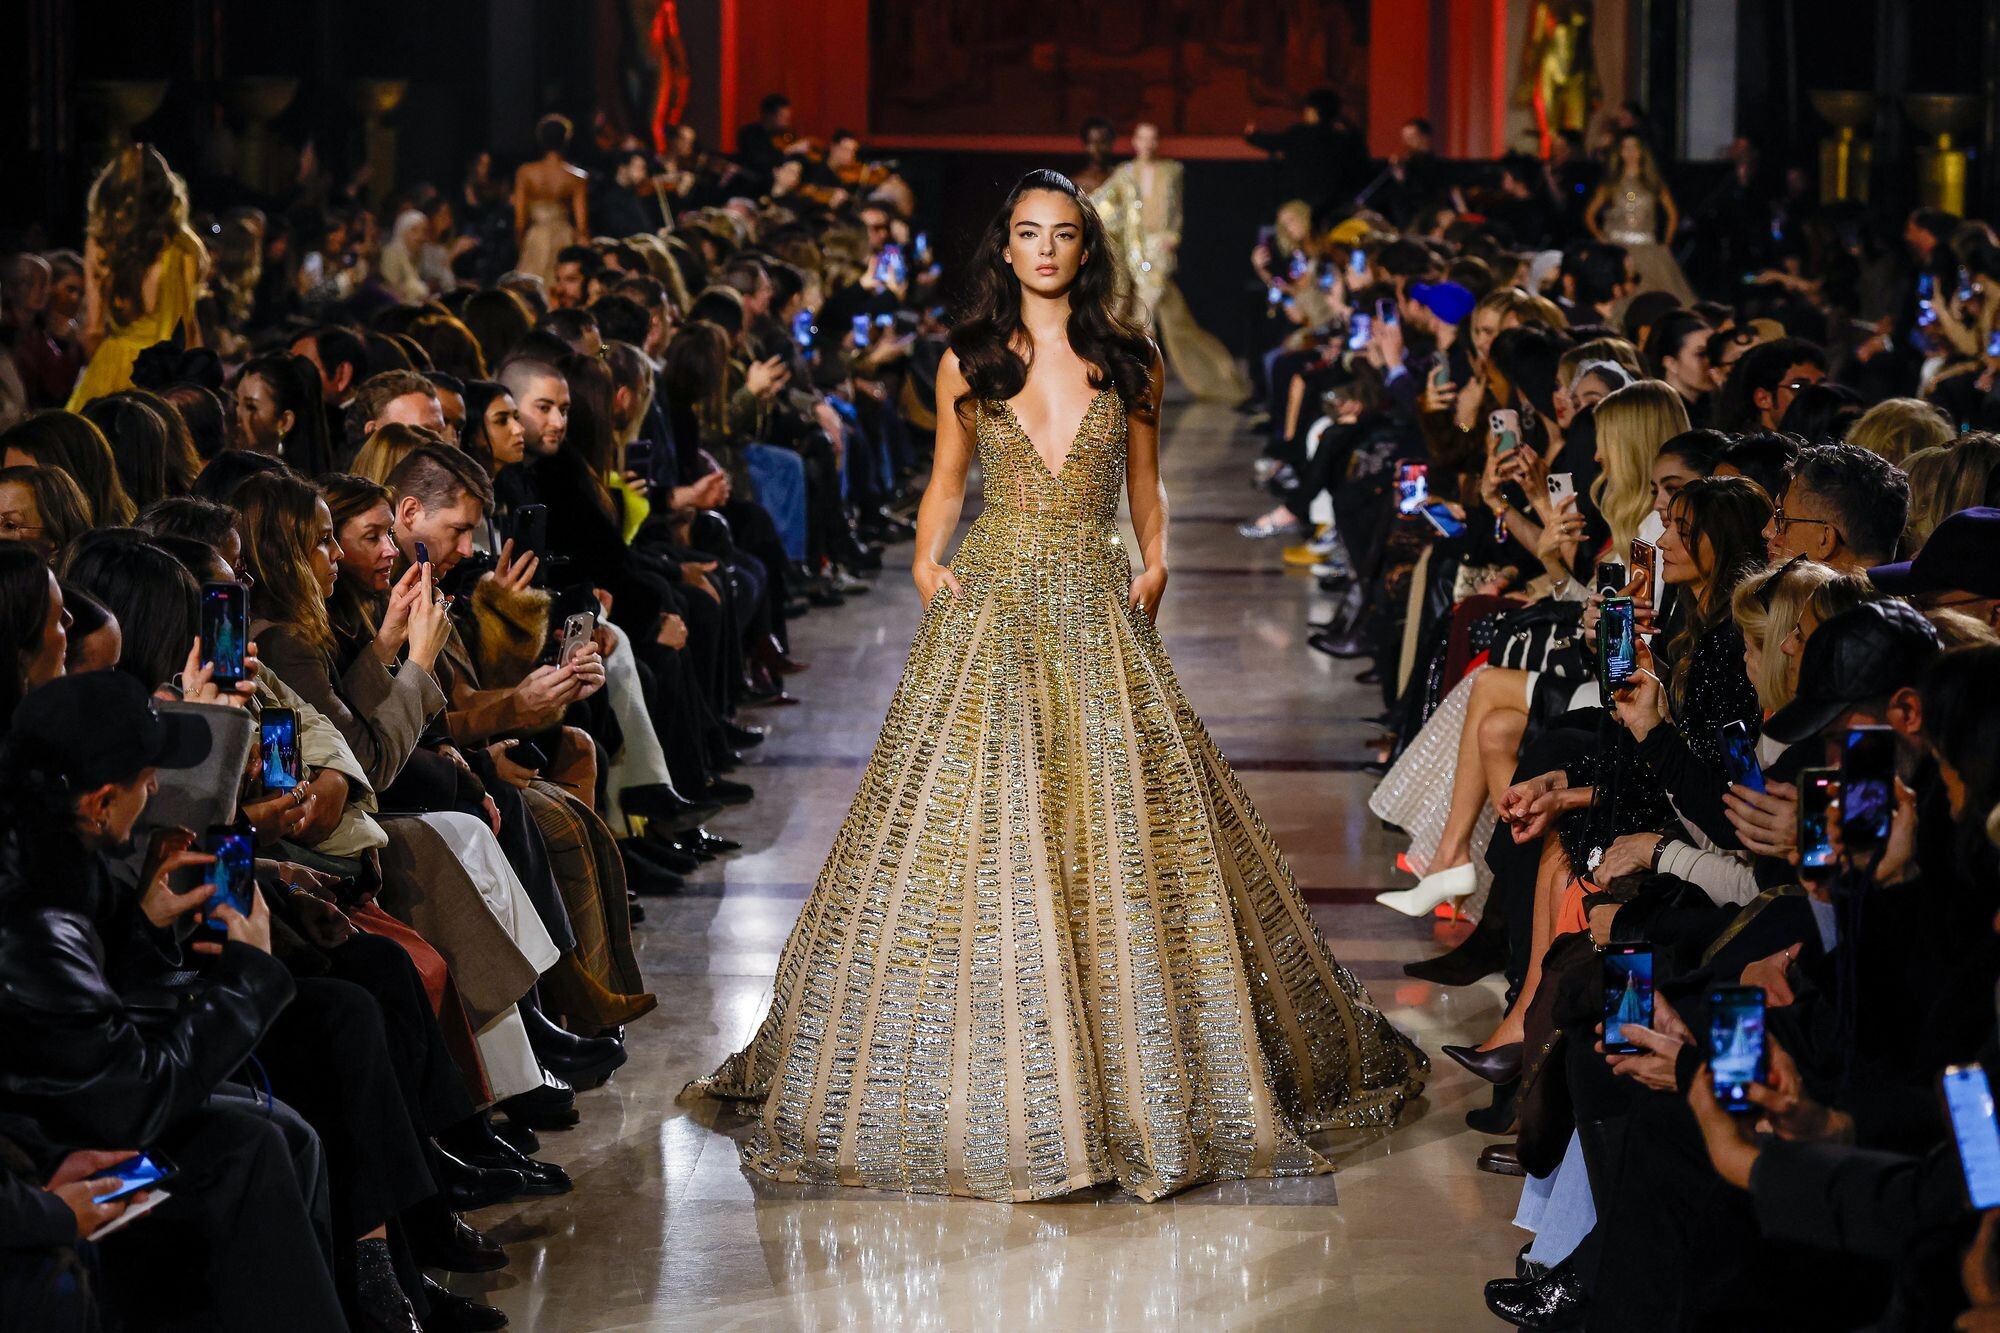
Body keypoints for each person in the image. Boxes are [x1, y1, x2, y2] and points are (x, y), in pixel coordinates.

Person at [685, 168, 1427, 1200]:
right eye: (1028, 232)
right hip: (989, 599)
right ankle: (999, 1081)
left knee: (1120, 826)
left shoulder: (1131, 359)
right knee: (976, 823)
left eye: (1062, 233)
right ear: (1006, 247)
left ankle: (1130, 1071)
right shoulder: (968, 358)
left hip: (1093, 597)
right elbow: (945, 484)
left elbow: (1143, 487)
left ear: (1086, 247)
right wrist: (926, 563)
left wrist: (1156, 561)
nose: (1044, 249)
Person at [1090, 130, 1248, 403]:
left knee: (1145, 316)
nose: (1148, 143)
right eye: (1143, 138)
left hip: (1159, 251)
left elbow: (1176, 210)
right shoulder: (1125, 172)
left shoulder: (1171, 170)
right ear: (1135, 142)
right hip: (1133, 251)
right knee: (1140, 317)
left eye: (1152, 138)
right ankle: (1135, 381)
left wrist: (1173, 237)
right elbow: (1103, 201)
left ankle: (1142, 384)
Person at [66, 146, 207, 409]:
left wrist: (104, 370)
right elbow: (189, 326)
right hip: (167, 374)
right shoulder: (185, 248)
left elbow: (93, 329)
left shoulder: (102, 243)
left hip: (113, 365)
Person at [1584, 132, 1692, 303]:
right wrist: (1600, 237)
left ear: (1642, 151)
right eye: (1625, 148)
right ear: (1619, 152)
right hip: (1617, 248)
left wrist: (1666, 243)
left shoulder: (1653, 183)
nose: (1630, 152)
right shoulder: (1611, 183)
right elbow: (1590, 214)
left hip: (1647, 249)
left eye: (1634, 147)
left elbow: (1672, 214)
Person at [513, 115, 589, 286]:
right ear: (566, 139)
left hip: (536, 240)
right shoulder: (576, 177)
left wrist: (522, 248)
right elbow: (582, 227)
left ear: (540, 139)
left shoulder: (525, 173)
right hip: (563, 240)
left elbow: (520, 222)